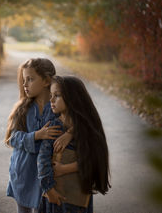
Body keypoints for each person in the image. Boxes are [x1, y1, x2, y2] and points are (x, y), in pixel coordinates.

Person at [5, 58, 73, 213]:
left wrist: (69, 133)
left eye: (30, 79)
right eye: (24, 80)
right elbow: (12, 138)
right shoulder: (22, 109)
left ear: (46, 81)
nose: (25, 84)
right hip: (22, 171)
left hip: (46, 175)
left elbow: (79, 122)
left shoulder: (58, 105)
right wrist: (36, 135)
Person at [37, 76, 111, 213]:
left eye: (57, 96)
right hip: (55, 194)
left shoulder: (87, 128)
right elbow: (42, 159)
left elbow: (94, 159)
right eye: (51, 95)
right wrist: (49, 189)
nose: (51, 100)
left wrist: (64, 169)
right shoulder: (53, 126)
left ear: (72, 98)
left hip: (78, 197)